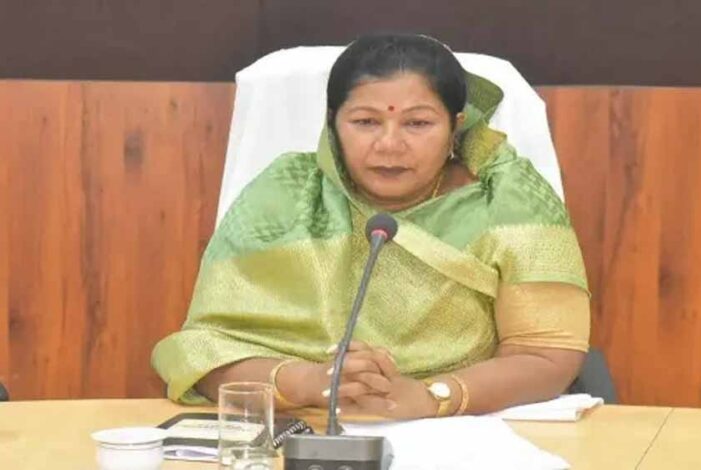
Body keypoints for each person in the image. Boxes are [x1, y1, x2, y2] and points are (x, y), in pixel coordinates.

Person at [152, 33, 590, 420]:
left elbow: (546, 356)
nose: (389, 144)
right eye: (365, 122)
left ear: (455, 127)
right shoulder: (286, 193)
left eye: (418, 123)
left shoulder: (509, 201)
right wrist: (308, 382)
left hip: (464, 427)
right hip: (301, 423)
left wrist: (432, 396)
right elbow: (204, 350)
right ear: (332, 123)